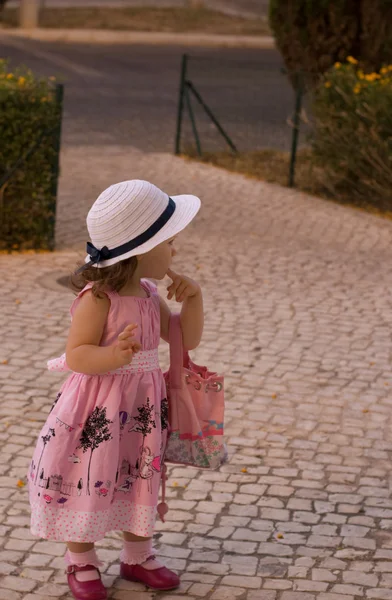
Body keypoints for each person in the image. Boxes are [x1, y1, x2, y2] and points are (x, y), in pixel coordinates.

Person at [28, 180, 203, 600]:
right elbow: (77, 354)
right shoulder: (99, 299)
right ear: (141, 250)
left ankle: (137, 554)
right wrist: (112, 357)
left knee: (136, 474)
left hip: (141, 410)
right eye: (169, 243)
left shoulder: (146, 293)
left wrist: (193, 300)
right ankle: (82, 559)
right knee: (88, 475)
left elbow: (183, 339)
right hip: (96, 412)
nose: (174, 251)